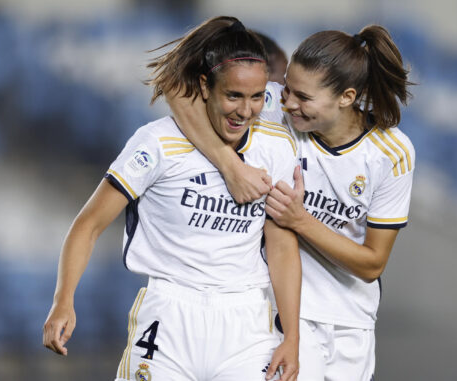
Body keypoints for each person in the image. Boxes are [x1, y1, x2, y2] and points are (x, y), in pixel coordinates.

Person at [42, 16, 302, 381]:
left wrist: (292, 336)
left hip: (247, 321)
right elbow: (89, 223)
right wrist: (63, 299)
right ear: (205, 86)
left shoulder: (275, 146)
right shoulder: (157, 143)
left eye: (256, 97)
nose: (245, 110)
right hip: (168, 315)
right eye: (233, 96)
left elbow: (282, 247)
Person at [167, 25, 414, 380]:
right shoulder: (275, 111)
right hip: (279, 312)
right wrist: (229, 164)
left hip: (352, 319)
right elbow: (177, 87)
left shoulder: (392, 152)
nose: (287, 102)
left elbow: (372, 264)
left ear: (345, 97)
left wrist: (300, 220)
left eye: (303, 97)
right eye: (286, 88)